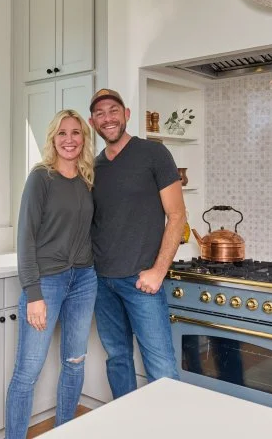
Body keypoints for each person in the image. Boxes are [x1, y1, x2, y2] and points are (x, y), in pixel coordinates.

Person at [87, 88, 186, 398]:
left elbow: (177, 215)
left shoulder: (153, 153)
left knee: (161, 368)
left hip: (142, 280)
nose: (108, 118)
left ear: (126, 114)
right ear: (93, 122)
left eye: (113, 110)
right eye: (100, 113)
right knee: (117, 360)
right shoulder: (94, 167)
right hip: (103, 281)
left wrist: (158, 270)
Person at [5, 109, 97, 439]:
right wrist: (33, 294)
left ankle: (63, 432)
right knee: (27, 372)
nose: (69, 139)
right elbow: (25, 237)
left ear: (84, 139)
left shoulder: (88, 180)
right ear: (53, 139)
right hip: (47, 281)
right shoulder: (41, 177)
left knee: (74, 362)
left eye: (76, 133)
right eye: (62, 133)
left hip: (84, 281)